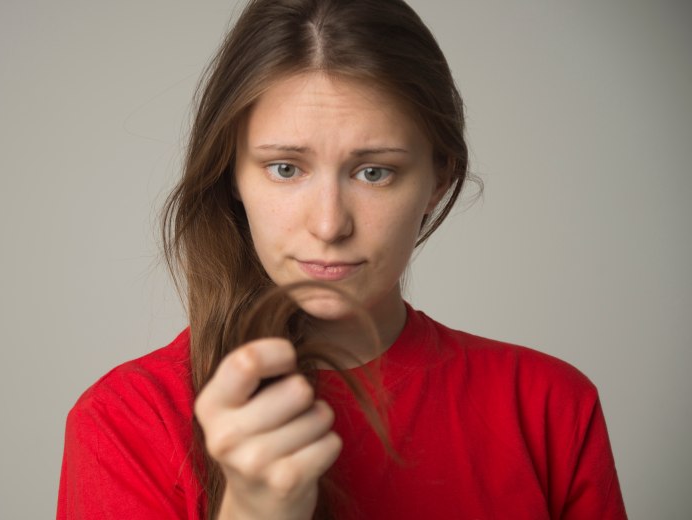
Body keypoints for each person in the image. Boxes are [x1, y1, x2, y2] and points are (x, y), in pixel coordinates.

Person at [57, 0, 627, 518]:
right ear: (232, 174)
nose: (329, 225)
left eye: (374, 171)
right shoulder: (125, 423)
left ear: (437, 180)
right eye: (285, 168)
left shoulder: (550, 407)